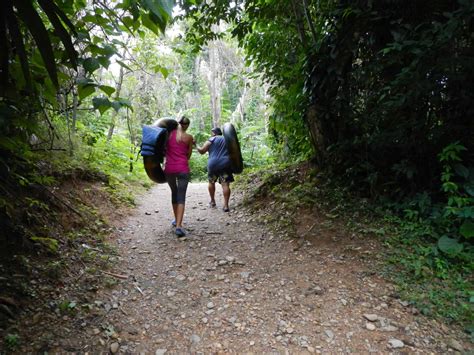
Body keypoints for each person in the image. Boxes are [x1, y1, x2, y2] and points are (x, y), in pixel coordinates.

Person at [163, 116, 194, 237]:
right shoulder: (189, 138)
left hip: (169, 169)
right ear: (187, 125)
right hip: (182, 169)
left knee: (174, 192)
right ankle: (179, 226)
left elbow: (163, 150)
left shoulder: (168, 134)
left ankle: (176, 219)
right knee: (181, 196)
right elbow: (188, 155)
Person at [196, 127, 234, 212]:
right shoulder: (227, 140)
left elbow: (202, 151)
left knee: (211, 182)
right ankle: (226, 206)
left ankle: (213, 201)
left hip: (213, 164)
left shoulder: (211, 139)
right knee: (225, 184)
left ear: (213, 133)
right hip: (225, 164)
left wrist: (196, 145)